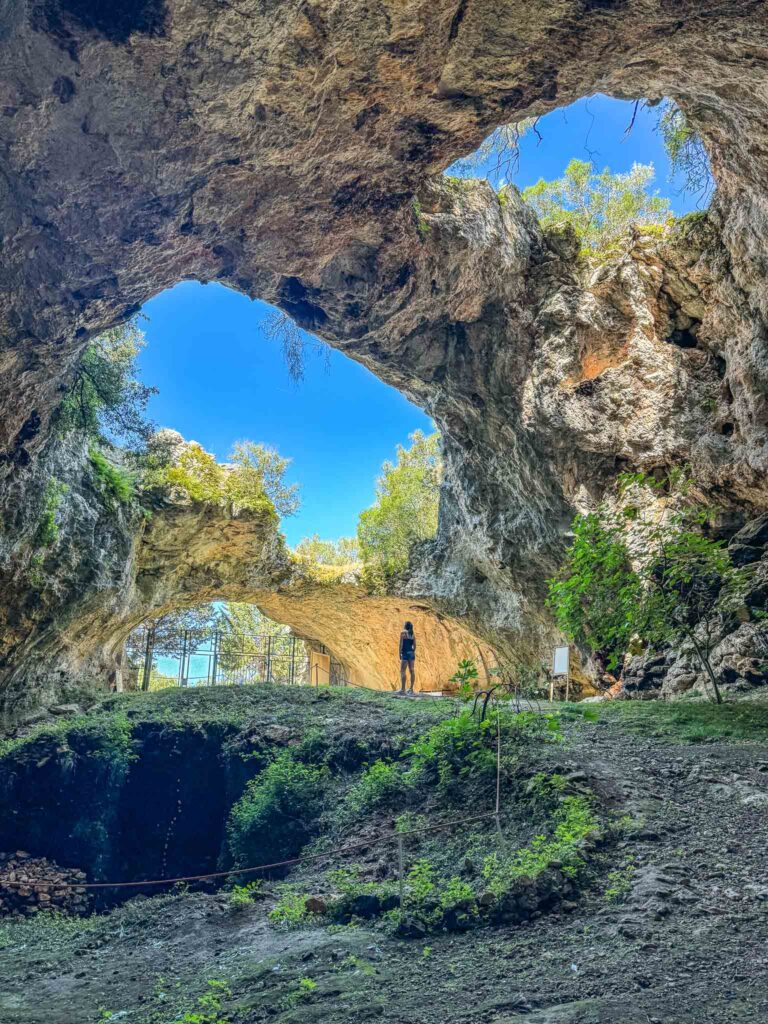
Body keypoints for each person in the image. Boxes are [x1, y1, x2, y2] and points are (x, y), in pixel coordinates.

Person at [399, 621, 416, 694]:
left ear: (405, 626)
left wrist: (399, 653)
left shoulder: (403, 633)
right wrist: (412, 651)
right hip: (411, 653)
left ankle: (403, 689)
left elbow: (401, 644)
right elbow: (415, 646)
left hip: (405, 653)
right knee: (412, 670)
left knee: (403, 671)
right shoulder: (413, 634)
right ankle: (411, 689)